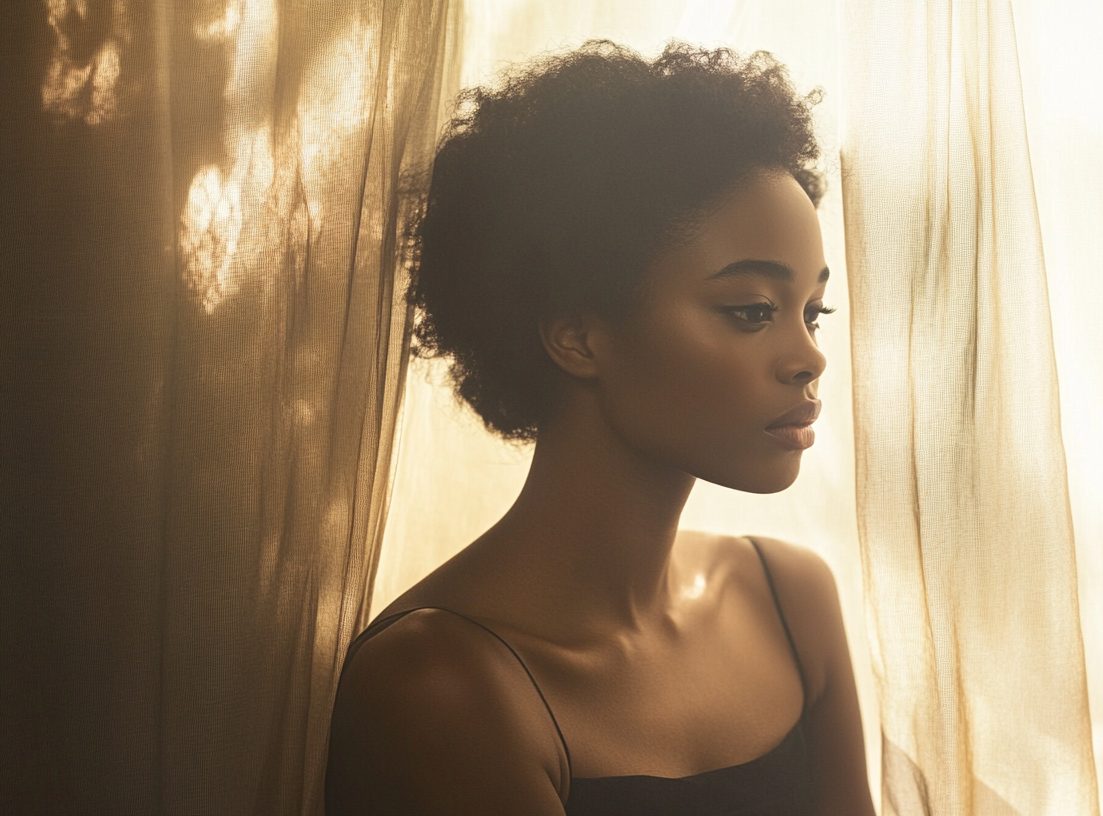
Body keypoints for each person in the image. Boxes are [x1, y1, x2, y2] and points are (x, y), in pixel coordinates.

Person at [325, 39, 874, 816]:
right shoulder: (442, 683)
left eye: (813, 313)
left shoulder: (791, 600)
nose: (809, 357)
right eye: (751, 310)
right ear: (578, 335)